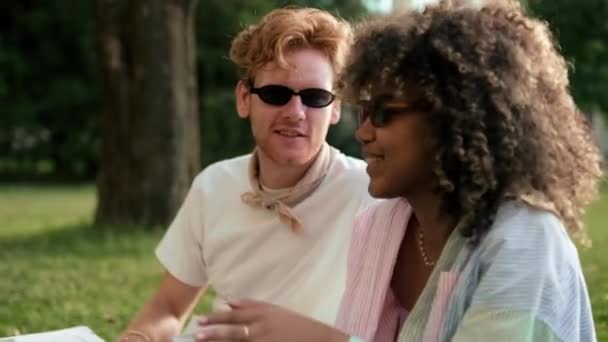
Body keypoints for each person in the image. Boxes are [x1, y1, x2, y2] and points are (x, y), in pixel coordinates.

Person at [195, 1, 602, 341]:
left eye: (385, 113)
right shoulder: (379, 225)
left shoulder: (524, 242)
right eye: (363, 112)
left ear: (454, 120)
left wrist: (315, 337)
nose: (365, 132)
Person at [117, 7, 374, 342]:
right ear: (243, 99)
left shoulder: (370, 194)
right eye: (275, 94)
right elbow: (168, 307)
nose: (295, 113)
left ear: (336, 108)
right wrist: (140, 338)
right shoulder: (214, 185)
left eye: (315, 97)